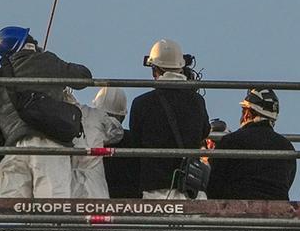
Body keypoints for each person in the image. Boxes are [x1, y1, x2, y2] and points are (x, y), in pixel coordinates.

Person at [0, 25, 92, 198]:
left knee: (13, 209)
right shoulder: (45, 60)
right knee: (52, 205)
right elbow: (84, 77)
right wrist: (50, 59)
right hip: (48, 144)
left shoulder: (0, 75)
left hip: (14, 148)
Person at [128, 39, 210, 199]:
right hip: (190, 190)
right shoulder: (197, 101)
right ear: (181, 68)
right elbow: (204, 132)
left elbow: (135, 145)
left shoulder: (142, 103)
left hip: (155, 191)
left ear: (154, 70)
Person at [206, 88, 296, 200]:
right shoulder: (287, 148)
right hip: (278, 213)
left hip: (236, 211)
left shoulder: (231, 141)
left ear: (247, 114)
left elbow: (212, 185)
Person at [73, 87, 125, 197]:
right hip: (119, 200)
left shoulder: (78, 129)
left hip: (80, 189)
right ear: (123, 116)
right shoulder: (125, 138)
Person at [91, 87, 141, 199]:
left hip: (93, 199)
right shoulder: (133, 140)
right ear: (123, 116)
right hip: (128, 203)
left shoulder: (86, 138)